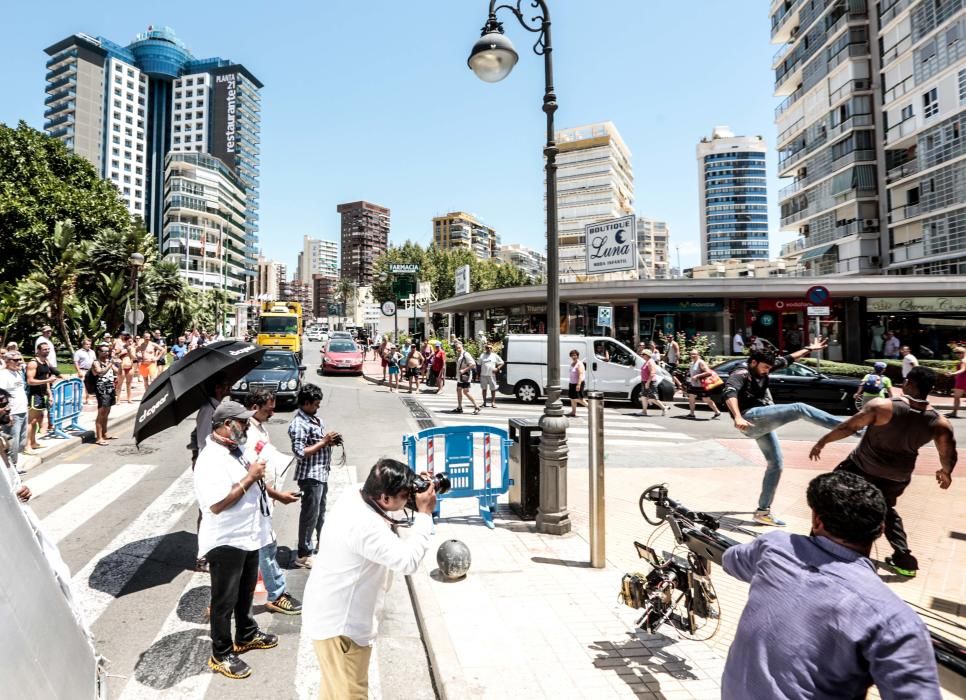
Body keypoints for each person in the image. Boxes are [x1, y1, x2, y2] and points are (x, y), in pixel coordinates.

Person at [721, 471, 941, 699]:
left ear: (817, 521)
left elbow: (730, 560)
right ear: (881, 530)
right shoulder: (894, 621)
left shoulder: (774, 547)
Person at [303, 458, 435, 700]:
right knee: (351, 694)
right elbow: (408, 561)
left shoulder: (355, 494)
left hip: (328, 616)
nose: (408, 500)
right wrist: (425, 514)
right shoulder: (365, 525)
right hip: (343, 631)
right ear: (385, 498)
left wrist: (414, 484)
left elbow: (385, 496)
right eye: (405, 495)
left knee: (334, 691)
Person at [809, 366, 957, 578]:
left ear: (910, 383)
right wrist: (946, 472)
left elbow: (848, 428)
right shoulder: (939, 422)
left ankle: (815, 541)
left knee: (829, 495)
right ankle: (904, 559)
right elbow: (948, 453)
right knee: (885, 510)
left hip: (860, 468)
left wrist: (822, 442)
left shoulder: (882, 406)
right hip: (897, 476)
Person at [193, 401, 277, 680]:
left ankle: (246, 633)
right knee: (224, 600)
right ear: (227, 425)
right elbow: (216, 504)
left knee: (245, 593)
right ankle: (221, 652)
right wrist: (250, 478)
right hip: (226, 539)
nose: (246, 425)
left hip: (249, 534)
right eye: (241, 422)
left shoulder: (236, 449)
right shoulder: (209, 459)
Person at [722, 341, 841, 527]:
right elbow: (729, 392)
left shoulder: (764, 365)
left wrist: (809, 349)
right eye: (764, 368)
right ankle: (851, 427)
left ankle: (762, 512)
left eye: (769, 368)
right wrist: (737, 417)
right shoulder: (741, 372)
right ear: (753, 362)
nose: (767, 371)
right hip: (750, 418)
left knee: (776, 464)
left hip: (760, 425)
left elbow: (789, 359)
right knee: (799, 408)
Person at [243, 389, 303, 615]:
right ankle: (276, 593)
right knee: (266, 547)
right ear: (256, 407)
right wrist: (277, 495)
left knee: (258, 548)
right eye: (269, 407)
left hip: (263, 500)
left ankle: (238, 592)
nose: (273, 410)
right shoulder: (248, 433)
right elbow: (250, 475)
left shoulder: (258, 427)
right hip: (257, 500)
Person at [288, 384, 341, 569]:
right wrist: (324, 441)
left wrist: (330, 442)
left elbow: (318, 444)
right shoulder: (299, 424)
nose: (318, 407)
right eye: (316, 404)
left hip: (321, 473)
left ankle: (321, 544)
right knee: (310, 515)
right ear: (306, 403)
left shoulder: (314, 419)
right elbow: (300, 452)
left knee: (320, 513)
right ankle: (303, 553)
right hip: (310, 476)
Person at [191, 372, 233, 572]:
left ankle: (213, 550)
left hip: (217, 463)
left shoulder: (217, 408)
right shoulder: (209, 409)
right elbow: (202, 441)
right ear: (218, 388)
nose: (229, 387)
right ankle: (202, 557)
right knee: (207, 510)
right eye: (226, 384)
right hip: (208, 465)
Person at [25, 342, 61, 451]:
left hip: (43, 394)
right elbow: (30, 381)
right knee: (31, 421)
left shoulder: (45, 362)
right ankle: (27, 446)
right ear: (38, 350)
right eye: (45, 349)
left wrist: (49, 394)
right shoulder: (33, 363)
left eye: (48, 349)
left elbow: (47, 378)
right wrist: (48, 380)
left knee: (37, 419)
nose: (47, 351)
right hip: (34, 395)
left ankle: (34, 442)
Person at [0, 389, 32, 503]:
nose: (8, 408)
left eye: (7, 404)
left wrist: (19, 487)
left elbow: (8, 473)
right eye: (1, 405)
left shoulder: (3, 440)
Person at [0, 352, 29, 470]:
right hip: (13, 413)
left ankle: (14, 463)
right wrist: (8, 414)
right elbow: (1, 395)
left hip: (23, 410)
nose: (19, 362)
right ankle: (12, 468)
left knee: (21, 442)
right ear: (7, 362)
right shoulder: (3, 375)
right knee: (13, 442)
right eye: (15, 360)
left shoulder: (17, 373)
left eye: (20, 359)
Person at [89, 344, 120, 445]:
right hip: (101, 389)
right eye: (104, 351)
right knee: (101, 413)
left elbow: (119, 372)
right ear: (98, 352)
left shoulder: (108, 362)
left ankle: (105, 433)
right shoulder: (96, 362)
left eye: (108, 351)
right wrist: (110, 364)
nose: (106, 353)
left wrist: (118, 363)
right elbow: (100, 372)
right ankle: (99, 438)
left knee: (107, 412)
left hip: (110, 388)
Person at [685, 350, 722, 420]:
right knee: (691, 397)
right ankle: (692, 414)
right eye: (691, 354)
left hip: (701, 385)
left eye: (694, 354)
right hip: (694, 385)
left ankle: (717, 412)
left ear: (698, 355)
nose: (692, 355)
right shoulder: (692, 363)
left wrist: (697, 376)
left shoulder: (700, 362)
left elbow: (708, 372)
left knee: (706, 399)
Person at [638, 348, 668, 417]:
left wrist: (648, 383)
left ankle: (664, 407)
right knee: (643, 397)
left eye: (643, 354)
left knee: (652, 398)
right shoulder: (646, 361)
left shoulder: (651, 362)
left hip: (650, 382)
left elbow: (652, 373)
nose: (641, 355)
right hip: (645, 381)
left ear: (647, 355)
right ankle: (644, 411)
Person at [453, 341, 480, 414]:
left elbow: (473, 364)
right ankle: (459, 407)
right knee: (458, 390)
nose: (457, 349)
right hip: (460, 377)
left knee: (465, 392)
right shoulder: (459, 355)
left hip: (465, 377)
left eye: (459, 347)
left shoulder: (466, 354)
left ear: (462, 347)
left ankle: (476, 406)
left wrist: (464, 370)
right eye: (456, 347)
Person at [477, 342, 504, 408]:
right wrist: (478, 375)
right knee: (484, 389)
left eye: (490, 348)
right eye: (487, 348)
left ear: (492, 348)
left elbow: (502, 362)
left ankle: (493, 403)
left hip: (492, 375)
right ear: (485, 348)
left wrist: (497, 368)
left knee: (493, 389)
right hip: (483, 375)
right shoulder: (482, 355)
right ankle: (484, 402)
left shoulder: (494, 355)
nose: (488, 349)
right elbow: (479, 365)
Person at [114, 332, 137, 402]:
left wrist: (129, 352)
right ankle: (118, 399)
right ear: (125, 341)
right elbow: (115, 356)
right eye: (129, 341)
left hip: (130, 367)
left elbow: (134, 358)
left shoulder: (132, 348)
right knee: (120, 384)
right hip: (122, 367)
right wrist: (121, 353)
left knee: (129, 383)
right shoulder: (121, 347)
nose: (130, 342)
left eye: (131, 341)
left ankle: (129, 398)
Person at [73, 338, 96, 405]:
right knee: (82, 386)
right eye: (87, 344)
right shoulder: (78, 352)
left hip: (90, 371)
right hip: (82, 370)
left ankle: (88, 399)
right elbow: (76, 362)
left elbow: (94, 361)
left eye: (89, 344)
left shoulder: (92, 352)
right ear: (83, 344)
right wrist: (79, 371)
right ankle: (80, 400)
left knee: (89, 386)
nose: (88, 345)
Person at [567, 349, 588, 418]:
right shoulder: (572, 363)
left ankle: (591, 408)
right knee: (572, 399)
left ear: (577, 356)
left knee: (579, 399)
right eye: (572, 355)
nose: (573, 356)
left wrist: (578, 384)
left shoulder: (579, 364)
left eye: (575, 355)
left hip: (578, 383)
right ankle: (573, 412)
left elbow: (581, 375)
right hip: (572, 383)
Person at [949, 346, 966, 418]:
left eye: (958, 352)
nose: (957, 354)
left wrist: (953, 374)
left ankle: (954, 413)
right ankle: (954, 412)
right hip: (962, 380)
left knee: (956, 397)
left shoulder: (963, 361)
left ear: (963, 352)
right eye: (955, 353)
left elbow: (962, 370)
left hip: (962, 381)